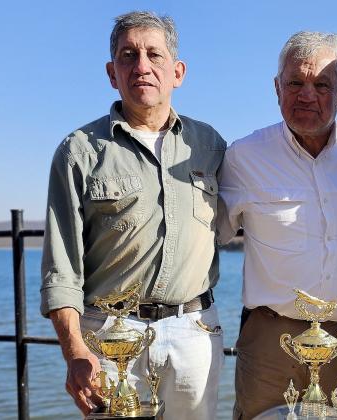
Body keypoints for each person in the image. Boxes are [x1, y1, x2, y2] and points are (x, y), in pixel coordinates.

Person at [40, 11, 226, 420]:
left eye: (154, 55)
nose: (142, 66)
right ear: (112, 72)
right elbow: (61, 267)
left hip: (193, 331)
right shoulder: (79, 152)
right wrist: (75, 351)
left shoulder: (210, 145)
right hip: (107, 337)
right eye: (128, 55)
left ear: (177, 71)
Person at [217, 31, 337, 419]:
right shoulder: (243, 157)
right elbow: (208, 237)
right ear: (276, 87)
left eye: (322, 84)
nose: (307, 95)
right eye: (295, 82)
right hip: (272, 338)